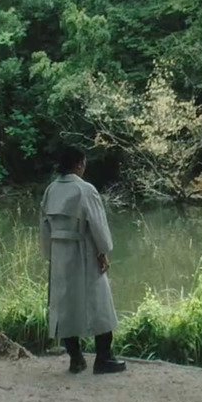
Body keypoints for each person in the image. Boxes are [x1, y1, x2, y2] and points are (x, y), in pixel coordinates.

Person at [39, 147, 125, 375]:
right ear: (79, 164)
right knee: (100, 304)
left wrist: (50, 254)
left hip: (60, 253)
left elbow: (44, 226)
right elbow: (97, 224)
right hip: (83, 251)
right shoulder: (85, 190)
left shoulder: (50, 190)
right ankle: (104, 358)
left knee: (65, 306)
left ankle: (76, 359)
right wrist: (103, 251)